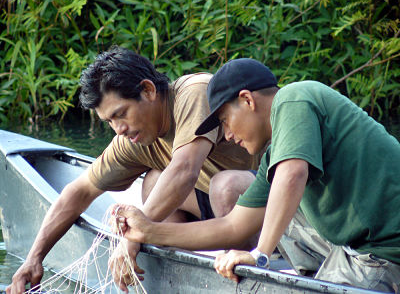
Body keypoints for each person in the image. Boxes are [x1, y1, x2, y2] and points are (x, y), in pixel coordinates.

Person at [111, 58, 400, 292]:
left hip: (383, 255)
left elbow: (292, 175)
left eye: (224, 120)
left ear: (247, 100)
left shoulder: (294, 97)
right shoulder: (275, 156)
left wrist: (259, 254)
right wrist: (149, 231)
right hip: (355, 245)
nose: (226, 134)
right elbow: (234, 226)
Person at [5, 49, 264, 294]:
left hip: (263, 207)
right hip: (212, 212)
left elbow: (184, 170)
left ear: (148, 91)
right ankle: (179, 266)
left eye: (121, 114)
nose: (118, 128)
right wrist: (34, 259)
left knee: (224, 186)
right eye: (109, 122)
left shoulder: (193, 92)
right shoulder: (131, 139)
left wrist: (133, 234)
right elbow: (79, 192)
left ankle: (243, 270)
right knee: (152, 181)